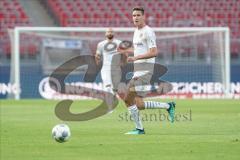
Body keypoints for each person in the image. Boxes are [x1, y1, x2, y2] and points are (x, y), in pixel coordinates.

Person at [118, 7, 176, 135]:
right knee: (138, 104)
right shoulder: (136, 31)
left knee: (127, 99)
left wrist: (136, 57)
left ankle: (139, 129)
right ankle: (168, 106)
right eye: (133, 15)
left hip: (145, 72)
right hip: (138, 71)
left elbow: (154, 52)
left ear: (144, 16)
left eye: (138, 15)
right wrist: (125, 51)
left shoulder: (148, 32)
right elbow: (139, 49)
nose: (136, 17)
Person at [95, 28, 123, 95]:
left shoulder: (119, 43)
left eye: (111, 32)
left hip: (116, 69)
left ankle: (113, 97)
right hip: (106, 68)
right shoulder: (101, 44)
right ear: (105, 34)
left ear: (114, 33)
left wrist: (123, 62)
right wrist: (97, 60)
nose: (110, 33)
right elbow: (97, 55)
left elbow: (124, 54)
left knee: (115, 89)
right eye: (108, 32)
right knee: (108, 86)